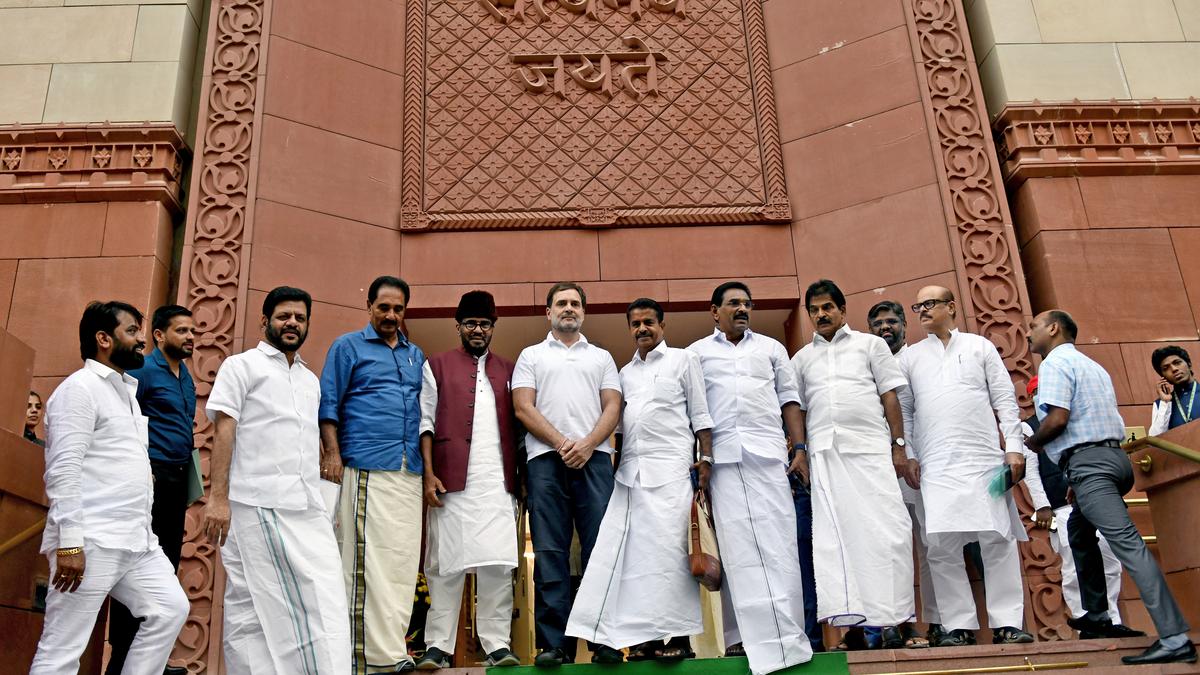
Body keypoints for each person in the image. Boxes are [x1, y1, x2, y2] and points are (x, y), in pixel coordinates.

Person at [1026, 310, 1195, 665]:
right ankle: (1098, 616)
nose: (1029, 334)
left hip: (1090, 463)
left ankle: (1174, 635)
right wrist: (1079, 476)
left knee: (1128, 545)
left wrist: (1032, 443)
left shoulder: (1053, 364)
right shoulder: (1093, 366)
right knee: (1079, 530)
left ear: (1053, 329)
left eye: (1033, 328)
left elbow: (1058, 419)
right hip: (1110, 461)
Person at [30, 301, 189, 675]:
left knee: (171, 609)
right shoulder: (79, 390)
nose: (140, 341)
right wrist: (70, 541)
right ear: (103, 338)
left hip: (136, 541)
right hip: (91, 540)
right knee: (62, 650)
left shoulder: (125, 392)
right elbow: (63, 470)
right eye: (132, 331)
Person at [202, 286, 349, 673]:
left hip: (304, 506)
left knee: (323, 596)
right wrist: (217, 498)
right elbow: (224, 431)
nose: (292, 323)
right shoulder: (242, 366)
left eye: (300, 318)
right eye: (284, 316)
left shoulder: (309, 379)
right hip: (256, 503)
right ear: (265, 321)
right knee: (251, 606)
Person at [566, 298, 714, 662]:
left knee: (674, 559)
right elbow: (618, 428)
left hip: (674, 474)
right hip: (631, 476)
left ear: (662, 325)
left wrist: (706, 460)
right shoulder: (623, 373)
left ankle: (680, 638)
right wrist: (614, 467)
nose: (642, 329)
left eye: (649, 322)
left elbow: (701, 416)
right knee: (636, 562)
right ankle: (645, 640)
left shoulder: (684, 359)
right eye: (635, 324)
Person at [897, 286, 1034, 647]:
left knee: (997, 539)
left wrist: (1014, 448)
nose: (922, 310)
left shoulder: (979, 346)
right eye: (918, 305)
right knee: (940, 545)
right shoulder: (910, 358)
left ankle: (1007, 623)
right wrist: (909, 453)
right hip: (934, 463)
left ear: (951, 307)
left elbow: (1005, 399)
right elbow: (905, 412)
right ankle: (958, 626)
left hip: (982, 458)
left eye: (929, 304)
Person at [688, 281, 813, 675]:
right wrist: (703, 458)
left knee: (778, 545)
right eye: (733, 304)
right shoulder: (697, 353)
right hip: (721, 462)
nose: (742, 309)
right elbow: (693, 409)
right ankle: (738, 638)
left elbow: (789, 400)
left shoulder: (772, 348)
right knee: (736, 548)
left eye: (746, 304)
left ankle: (788, 634)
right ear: (715, 311)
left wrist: (799, 449)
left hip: (768, 458)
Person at [793, 282, 916, 649]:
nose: (821, 314)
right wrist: (800, 451)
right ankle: (854, 628)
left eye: (828, 307)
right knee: (839, 541)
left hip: (870, 450)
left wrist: (897, 447)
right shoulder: (801, 358)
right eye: (814, 309)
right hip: (825, 456)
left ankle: (893, 621)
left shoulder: (870, 345)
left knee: (886, 532)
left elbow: (889, 396)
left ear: (842, 311)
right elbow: (797, 409)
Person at [319, 275, 426, 673]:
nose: (391, 315)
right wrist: (332, 453)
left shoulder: (416, 354)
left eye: (398, 309)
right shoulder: (348, 346)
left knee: (400, 565)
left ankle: (393, 651)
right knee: (366, 564)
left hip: (408, 469)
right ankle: (366, 660)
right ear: (369, 307)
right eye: (384, 307)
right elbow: (329, 403)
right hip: (366, 464)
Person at [513, 282, 623, 667]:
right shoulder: (531, 355)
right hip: (545, 459)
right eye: (561, 303)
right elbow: (523, 408)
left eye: (575, 303)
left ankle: (603, 641)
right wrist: (563, 444)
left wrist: (589, 445)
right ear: (548, 312)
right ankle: (553, 644)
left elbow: (613, 406)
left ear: (584, 312)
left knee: (599, 550)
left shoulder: (602, 357)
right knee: (550, 551)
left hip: (594, 460)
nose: (568, 308)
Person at [415, 291, 522, 670]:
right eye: (471, 324)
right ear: (458, 326)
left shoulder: (510, 370)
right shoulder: (437, 365)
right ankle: (437, 647)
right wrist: (428, 474)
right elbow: (424, 422)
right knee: (445, 566)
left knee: (497, 565)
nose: (478, 330)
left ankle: (497, 645)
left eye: (485, 324)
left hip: (496, 482)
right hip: (449, 480)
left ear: (493, 328)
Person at [107, 305, 197, 675]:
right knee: (136, 569)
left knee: (166, 570)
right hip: (151, 480)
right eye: (182, 331)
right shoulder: (143, 369)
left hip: (177, 484)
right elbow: (125, 419)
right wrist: (142, 468)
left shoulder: (186, 376)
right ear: (159, 335)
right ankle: (121, 661)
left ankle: (151, 664)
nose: (190, 337)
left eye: (193, 331)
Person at [1020, 376, 1128, 631]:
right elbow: (1031, 472)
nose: (1041, 397)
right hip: (1059, 507)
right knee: (1071, 563)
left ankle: (1110, 617)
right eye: (1036, 393)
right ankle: (1084, 619)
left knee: (1110, 559)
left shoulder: (1074, 419)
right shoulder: (1028, 427)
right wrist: (1042, 506)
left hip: (1094, 500)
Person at [867, 301, 940, 646]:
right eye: (878, 323)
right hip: (879, 469)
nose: (885, 328)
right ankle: (891, 623)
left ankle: (935, 623)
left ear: (904, 324)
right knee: (888, 546)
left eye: (891, 321)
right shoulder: (866, 364)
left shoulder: (921, 359)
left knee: (930, 546)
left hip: (922, 466)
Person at [1149, 346, 1197, 435]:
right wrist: (1165, 402)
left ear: (1189, 364)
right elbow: (1155, 438)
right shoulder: (1161, 404)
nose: (1174, 369)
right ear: (1163, 377)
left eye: (1177, 363)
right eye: (1166, 368)